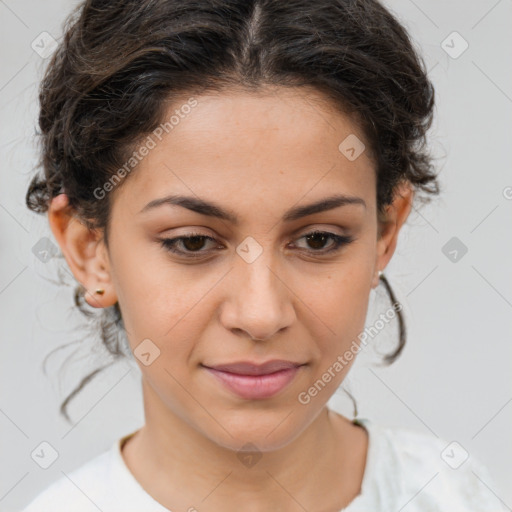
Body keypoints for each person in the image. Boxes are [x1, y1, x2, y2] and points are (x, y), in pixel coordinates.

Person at [23, 0, 507, 510]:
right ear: (90, 251)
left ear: (384, 233)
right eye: (192, 242)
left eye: (319, 239)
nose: (261, 315)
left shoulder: (456, 495)